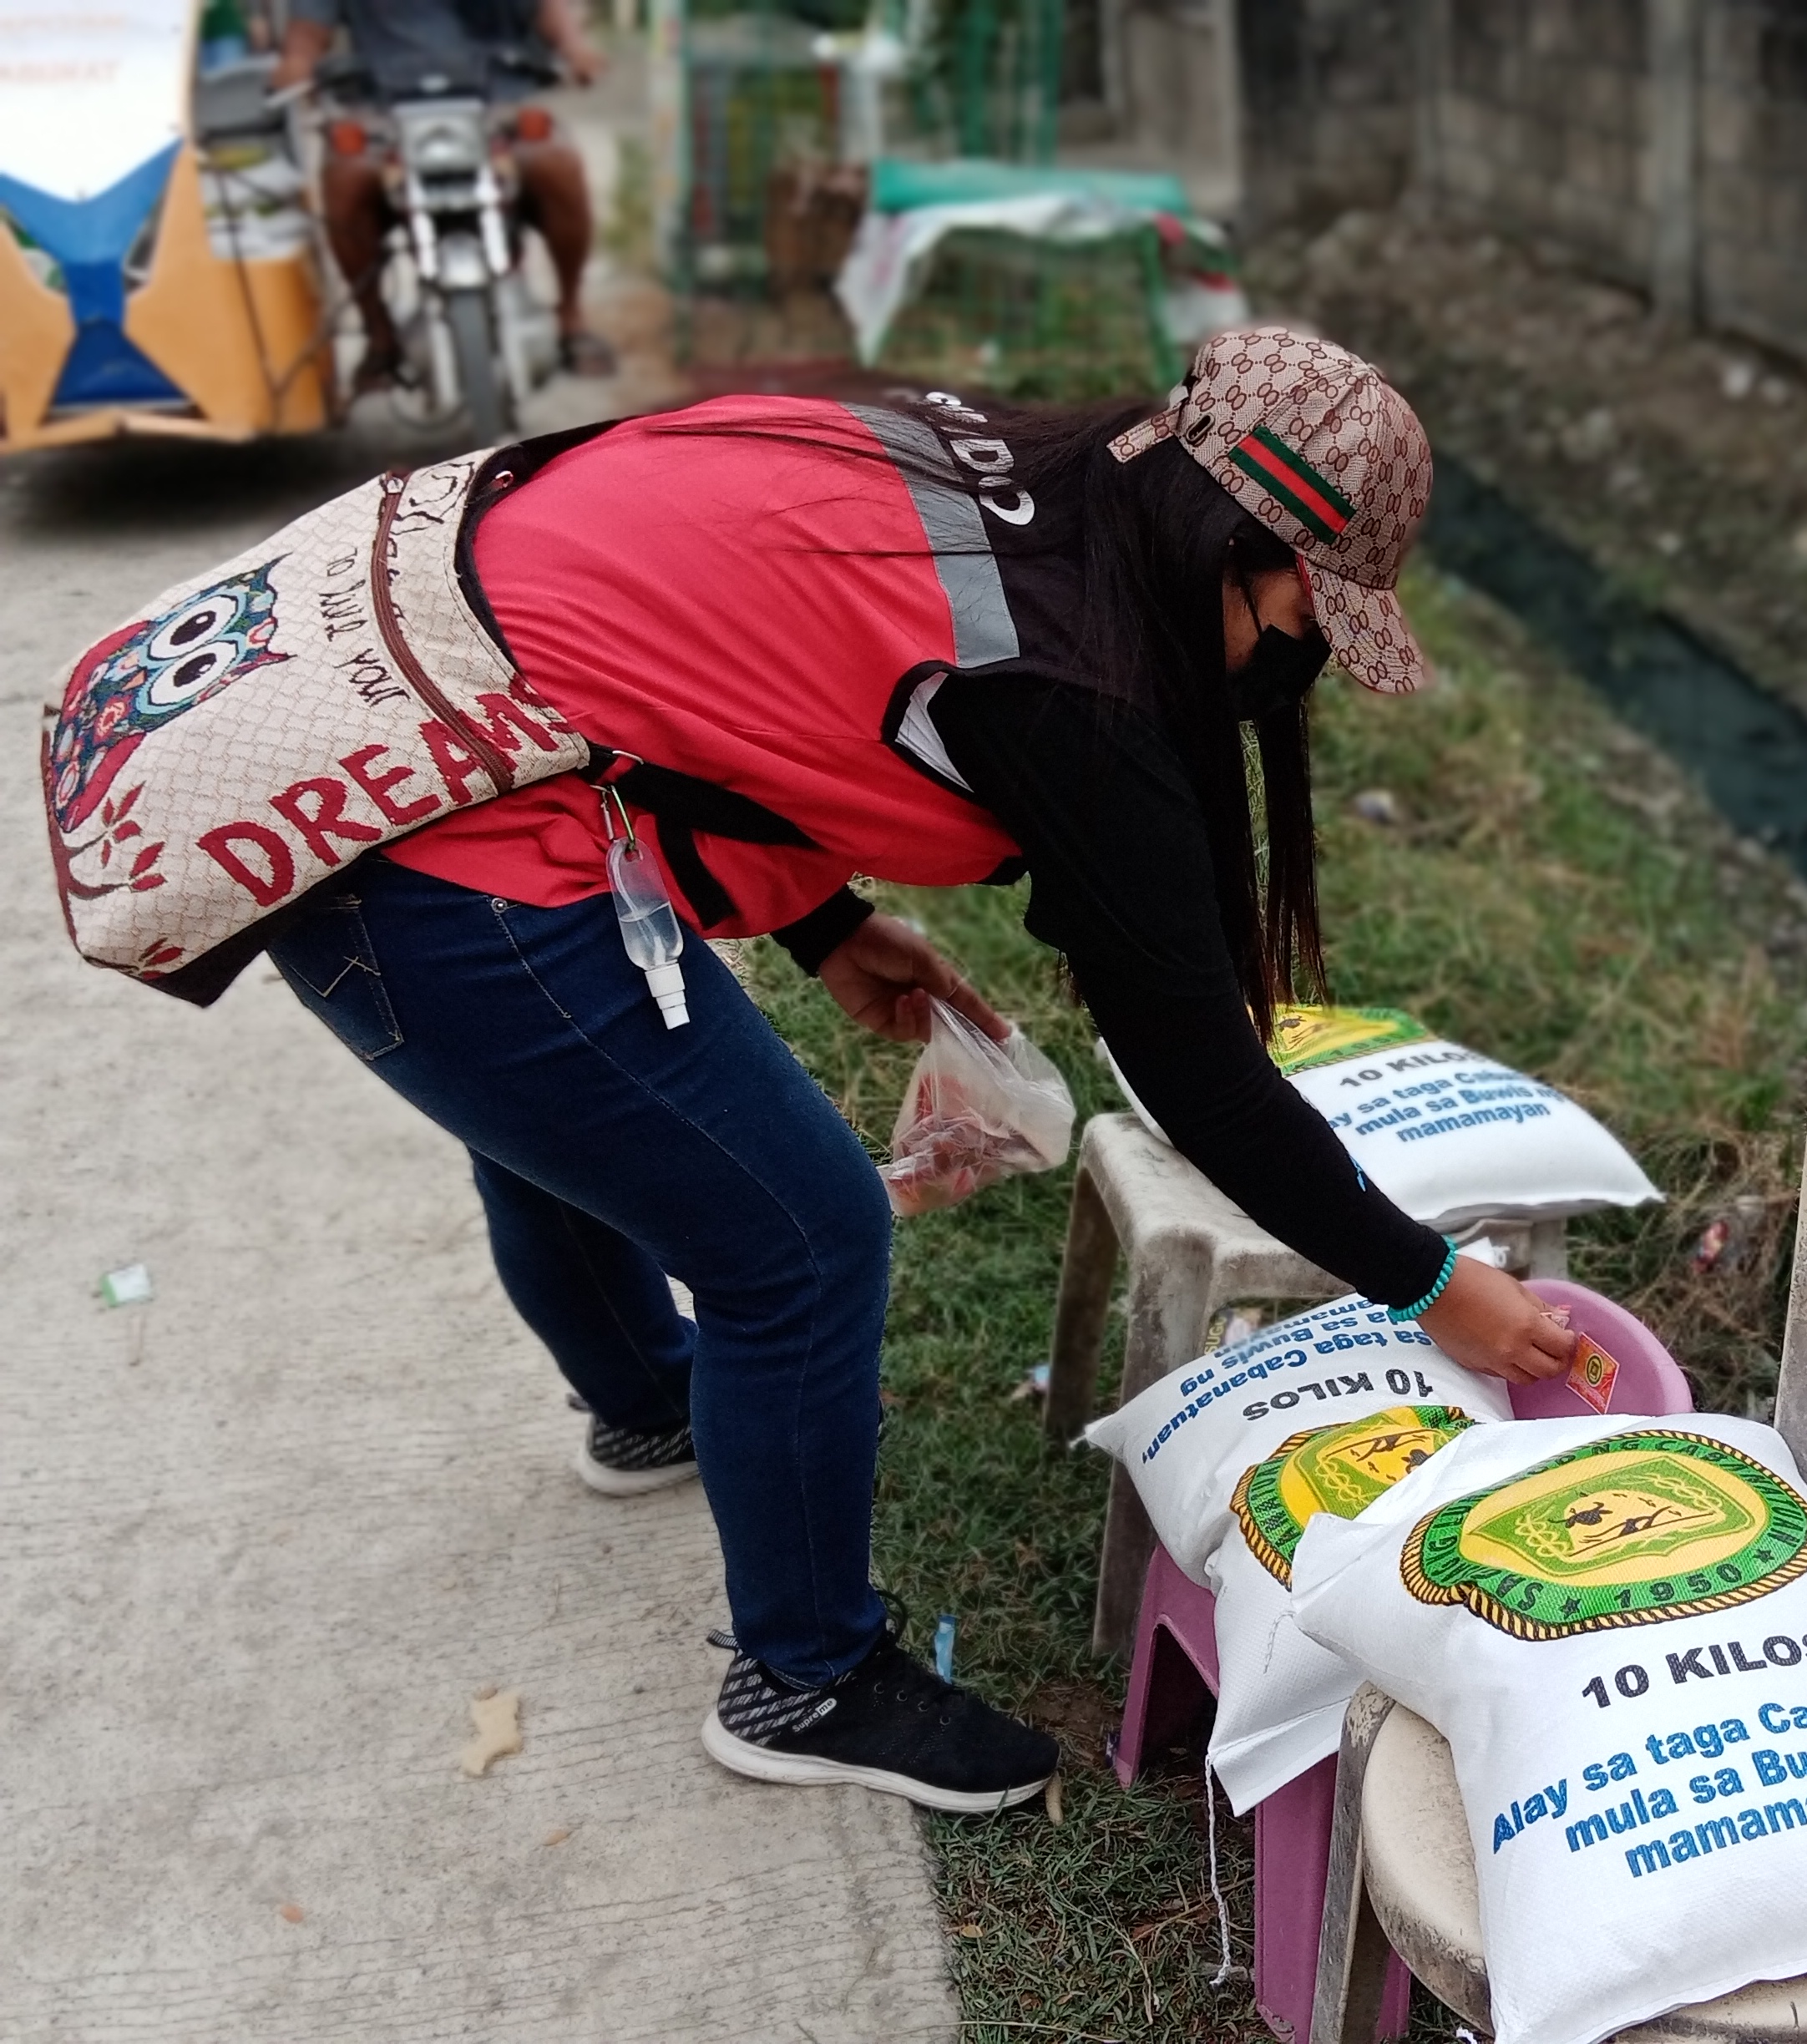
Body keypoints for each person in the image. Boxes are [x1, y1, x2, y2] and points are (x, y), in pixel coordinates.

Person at [249, 329, 1579, 1814]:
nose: (1294, 664)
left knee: (571, 1110)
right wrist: (1423, 1277)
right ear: (1235, 547)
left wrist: (817, 917)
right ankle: (803, 1680)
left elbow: (725, 652)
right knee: (804, 1241)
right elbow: (1200, 1080)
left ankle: (647, 1407)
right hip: (419, 822)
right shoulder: (1079, 684)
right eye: (1305, 624)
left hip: (390, 700)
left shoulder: (1026, 473)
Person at [271, 0, 617, 392]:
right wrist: (297, 64)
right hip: (383, 109)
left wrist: (574, 48)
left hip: (497, 101)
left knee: (557, 163)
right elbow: (310, 27)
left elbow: (546, 7)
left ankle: (572, 318)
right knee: (345, 178)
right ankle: (380, 338)